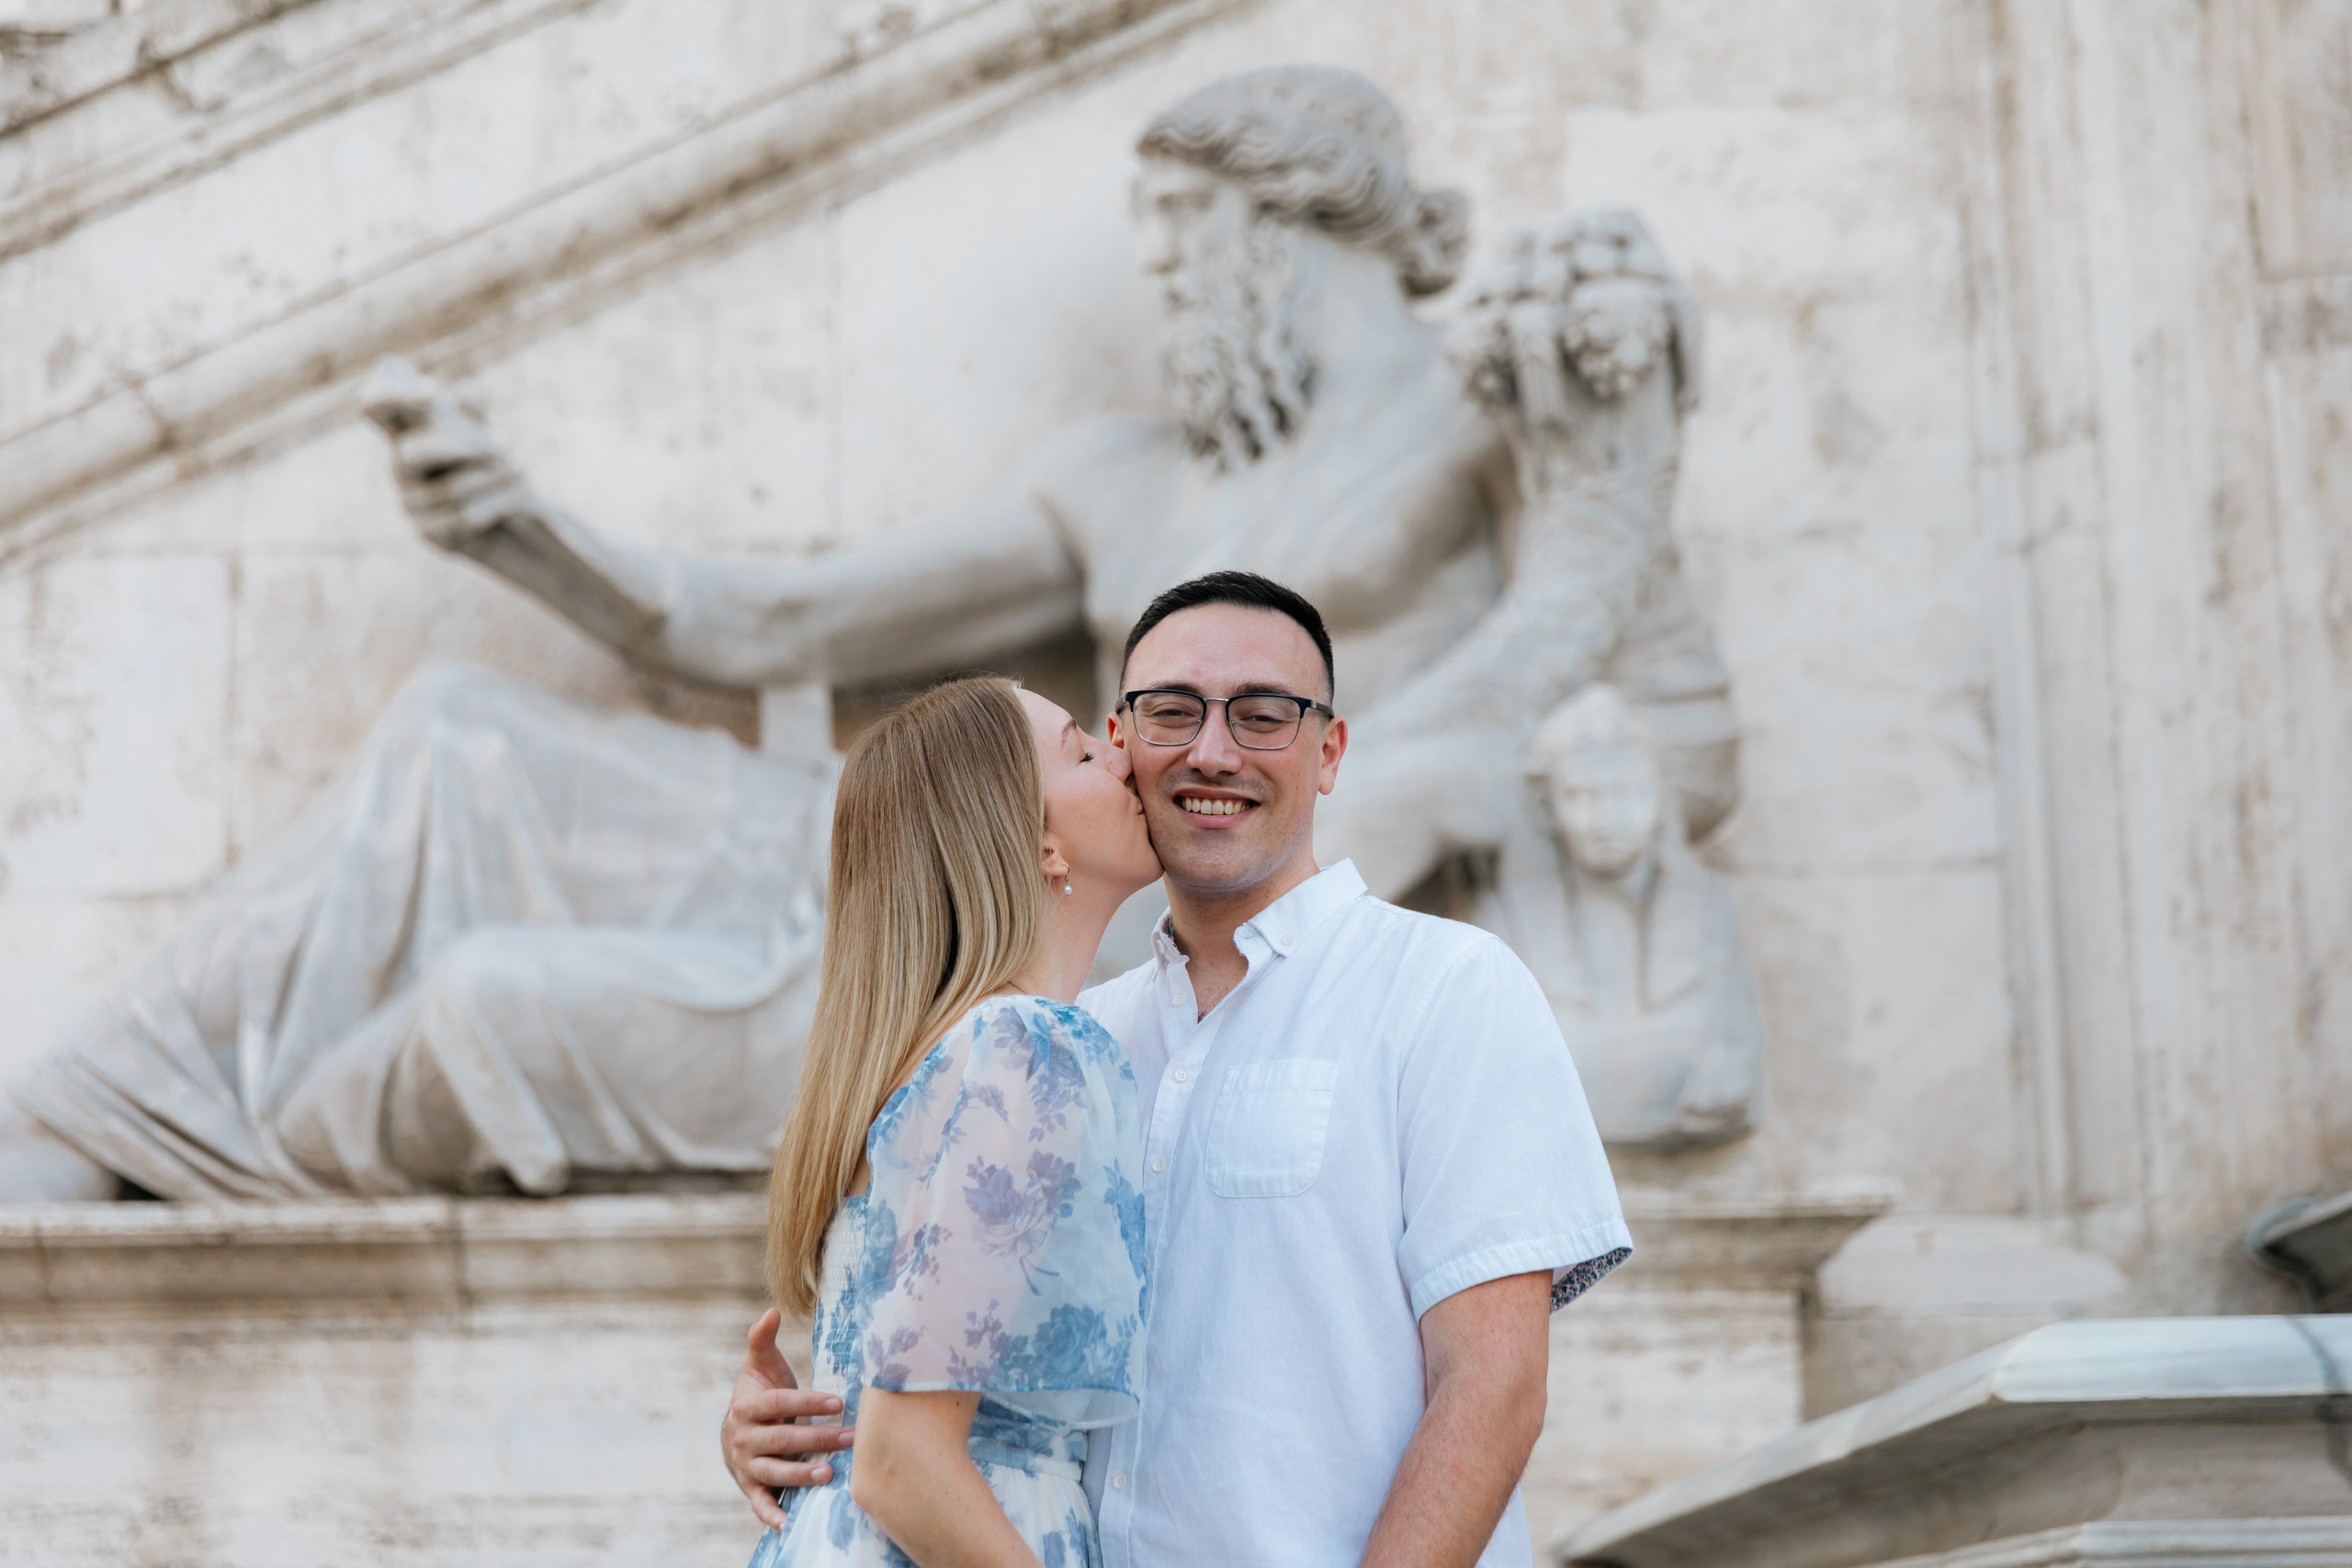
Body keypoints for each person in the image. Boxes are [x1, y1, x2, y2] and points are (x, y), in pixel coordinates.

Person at [726, 572, 1631, 1568]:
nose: (1212, 750)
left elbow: (1493, 1389)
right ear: (1121, 745)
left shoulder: (1447, 986)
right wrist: (806, 1429)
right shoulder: (1067, 1036)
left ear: (1328, 752)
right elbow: (931, 1400)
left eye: (1262, 715)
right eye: (1170, 713)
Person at [750, 674, 1163, 1567]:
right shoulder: (1029, 1049)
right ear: (1037, 839)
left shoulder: (936, 1058)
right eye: (1081, 752)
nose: (1121, 755)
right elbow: (899, 1464)